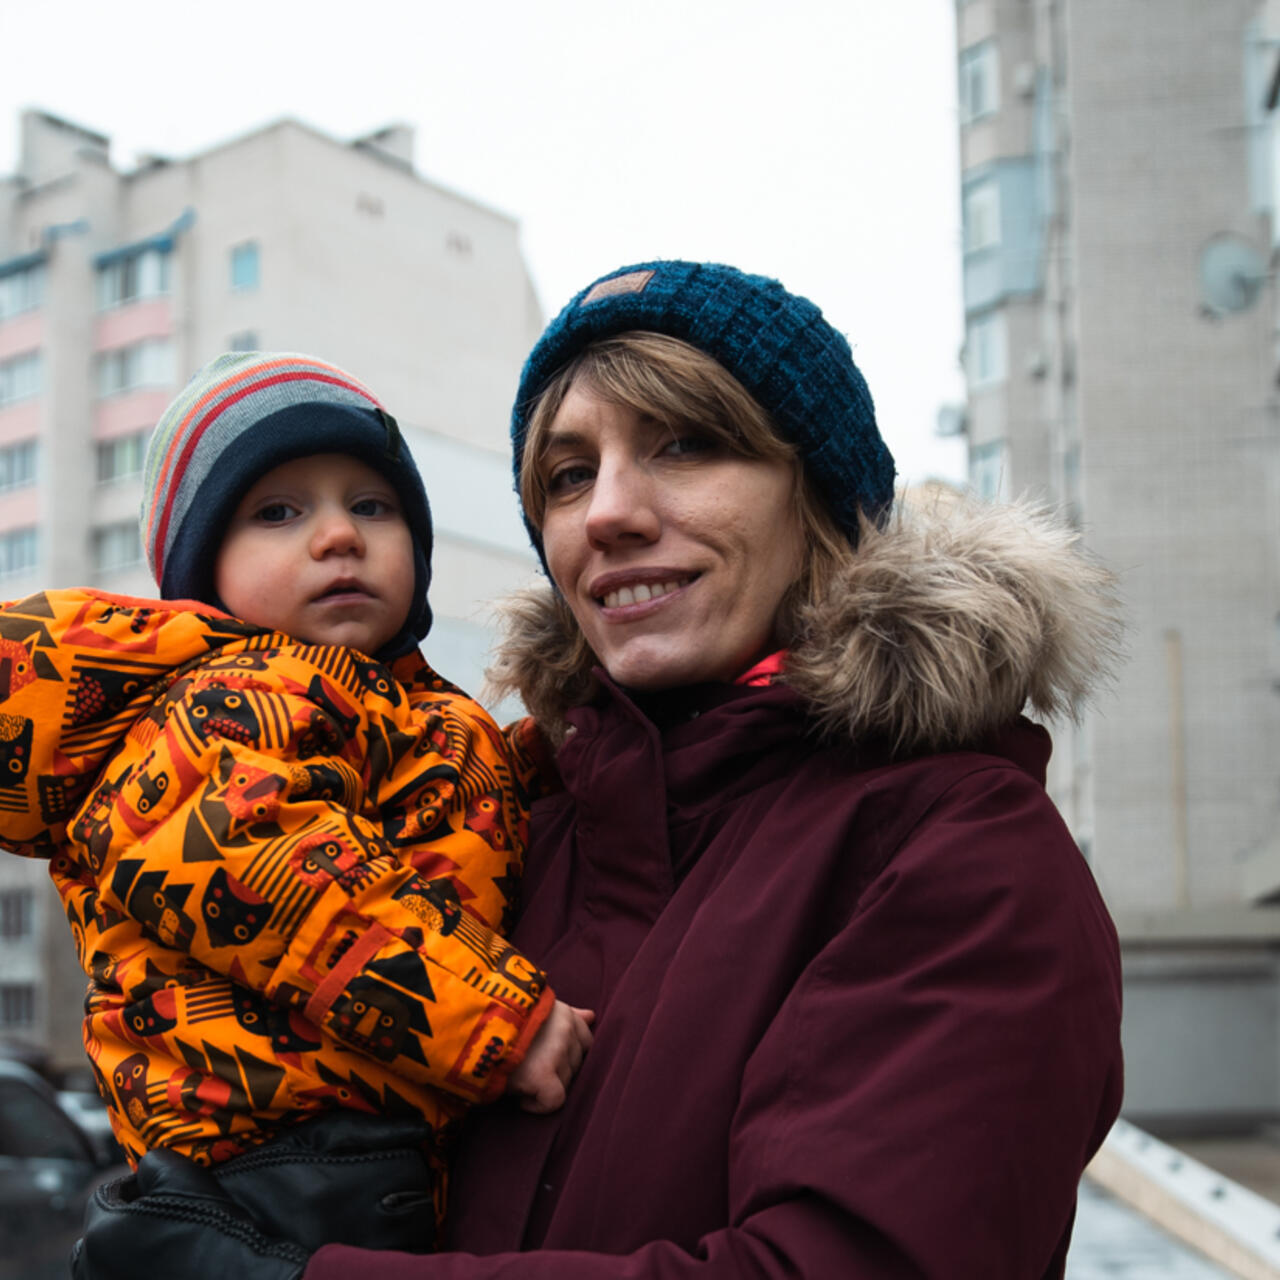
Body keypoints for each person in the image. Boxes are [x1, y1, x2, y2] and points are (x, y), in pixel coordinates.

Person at [73, 262, 1124, 1279]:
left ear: (823, 499)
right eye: (567, 475)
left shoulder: (960, 851)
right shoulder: (516, 823)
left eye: (686, 443)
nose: (606, 512)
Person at [0, 352, 591, 1253]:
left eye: (372, 505)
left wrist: (566, 761)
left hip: (373, 1142)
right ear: (207, 571)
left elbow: (454, 823)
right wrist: (494, 1021)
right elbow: (285, 882)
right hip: (275, 1158)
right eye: (278, 512)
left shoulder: (411, 710)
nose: (338, 537)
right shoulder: (224, 702)